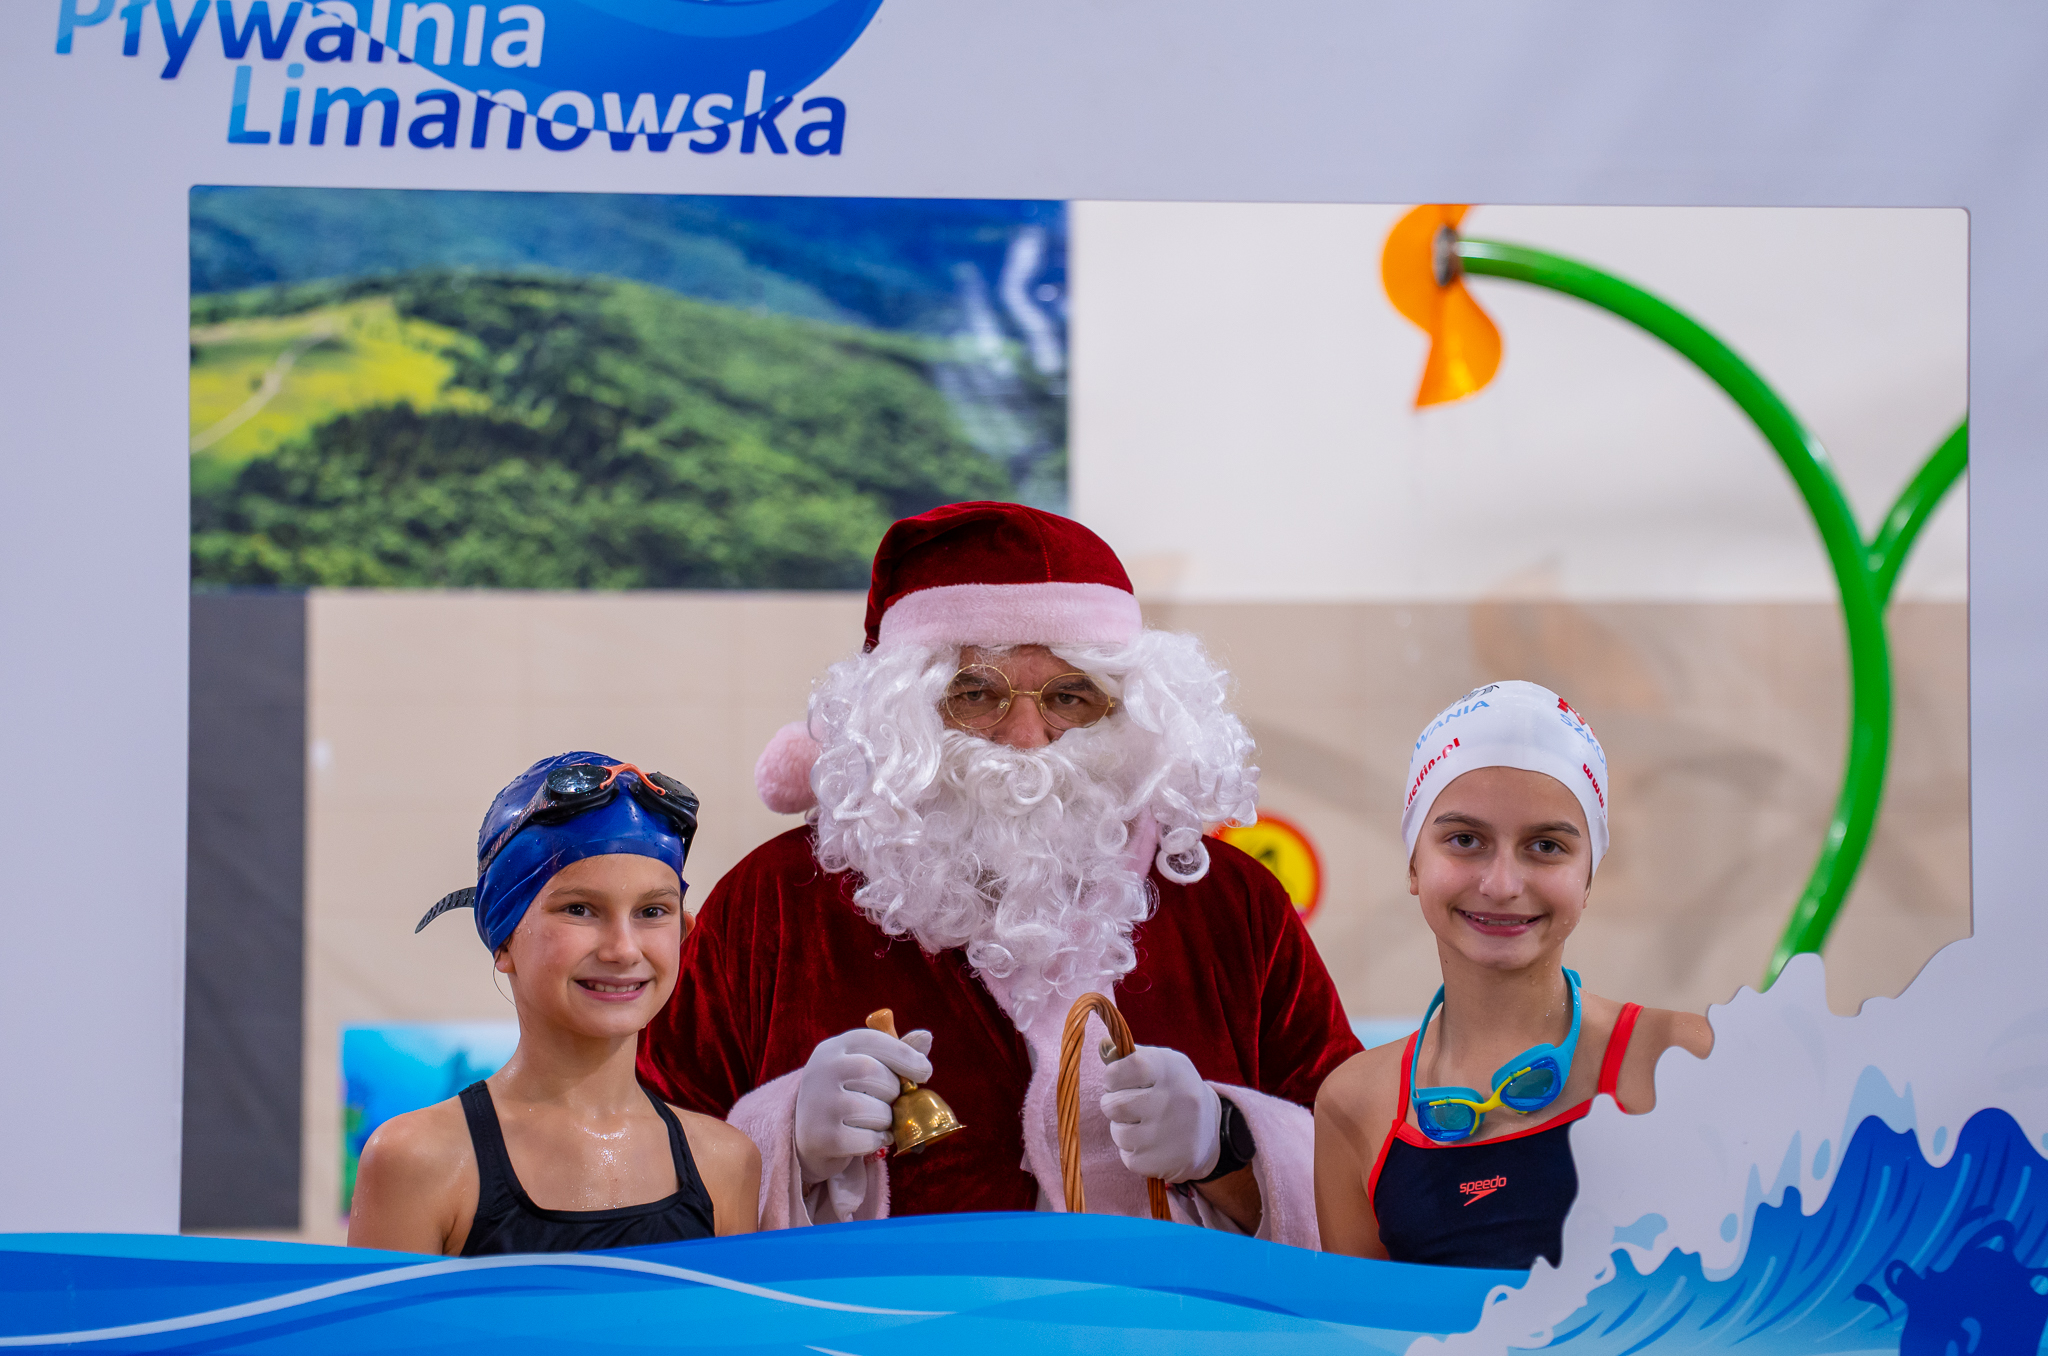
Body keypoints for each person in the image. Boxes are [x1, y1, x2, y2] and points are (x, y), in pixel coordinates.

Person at [638, 502, 1362, 1243]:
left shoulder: (1229, 901)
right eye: (976, 693)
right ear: (904, 711)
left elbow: (1367, 1171)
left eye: (1071, 697)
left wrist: (1229, 1143)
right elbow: (636, 1161)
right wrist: (782, 1141)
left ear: (1126, 712)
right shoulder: (774, 899)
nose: (1025, 739)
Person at [1315, 682, 1713, 1269]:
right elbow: (1359, 1319)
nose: (1502, 884)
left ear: (1589, 876)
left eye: (1546, 846)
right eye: (1465, 840)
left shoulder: (1678, 1061)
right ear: (1414, 864)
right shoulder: (1354, 1106)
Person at [349, 752, 760, 1254]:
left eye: (652, 911)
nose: (623, 949)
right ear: (503, 938)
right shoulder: (418, 1162)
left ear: (683, 932)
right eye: (580, 909)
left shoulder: (726, 1166)